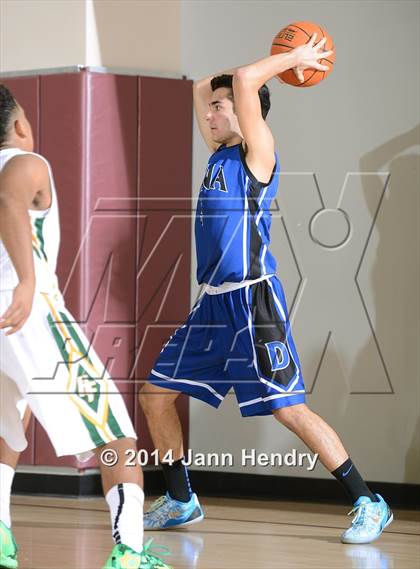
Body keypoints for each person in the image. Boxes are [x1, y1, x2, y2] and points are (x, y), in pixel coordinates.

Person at [139, 34, 393, 545]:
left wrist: (293, 61)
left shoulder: (259, 154)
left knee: (288, 408)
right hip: (212, 304)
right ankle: (182, 499)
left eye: (219, 107)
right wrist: (225, 86)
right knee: (154, 396)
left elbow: (248, 81)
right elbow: (199, 86)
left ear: (246, 113)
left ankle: (369, 501)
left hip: (253, 300)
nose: (208, 114)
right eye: (211, 108)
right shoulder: (218, 153)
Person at [0, 84, 172, 569]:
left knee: (7, 429)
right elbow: (10, 203)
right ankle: (131, 552)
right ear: (19, 126)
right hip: (29, 311)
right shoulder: (26, 163)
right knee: (116, 432)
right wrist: (28, 283)